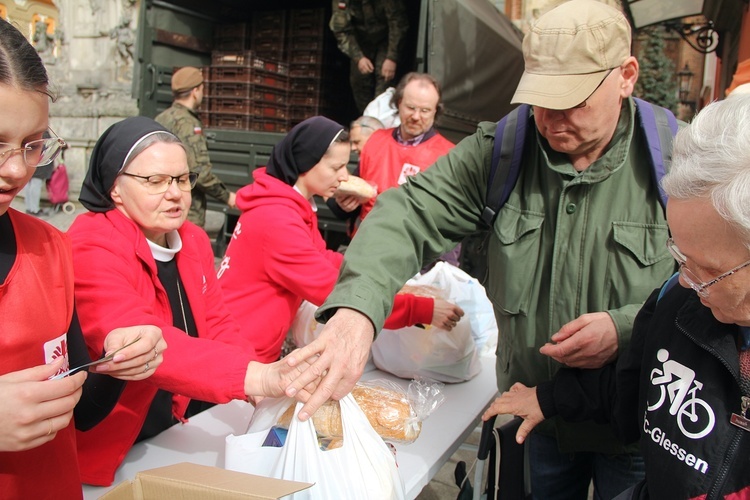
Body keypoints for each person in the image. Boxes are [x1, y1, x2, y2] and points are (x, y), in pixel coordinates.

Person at [284, 2, 679, 499]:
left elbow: (718, 287)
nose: (551, 120)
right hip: (532, 423)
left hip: (636, 427)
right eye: (540, 98)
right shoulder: (502, 152)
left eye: (572, 99)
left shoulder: (679, 161)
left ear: (625, 76)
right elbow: (407, 215)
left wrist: (625, 329)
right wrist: (357, 313)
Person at [482, 94, 750, 500]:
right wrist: (550, 396)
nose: (686, 282)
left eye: (710, 271)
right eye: (678, 255)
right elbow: (632, 382)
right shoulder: (677, 302)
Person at [69, 116, 317, 486]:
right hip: (119, 441)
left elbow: (217, 321)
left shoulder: (192, 239)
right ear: (115, 189)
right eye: (155, 181)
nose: (176, 193)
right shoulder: (92, 244)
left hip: (178, 423)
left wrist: (257, 381)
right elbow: (148, 346)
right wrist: (259, 377)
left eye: (183, 179)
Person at [0, 18, 165, 499]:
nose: (16, 170)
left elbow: (79, 412)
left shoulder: (49, 246)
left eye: (33, 146)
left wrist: (115, 363)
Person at [217, 116, 464, 363]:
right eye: (336, 168)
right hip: (238, 353)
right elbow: (338, 293)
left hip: (249, 344)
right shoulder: (277, 220)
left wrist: (379, 272)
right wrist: (420, 310)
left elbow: (321, 257)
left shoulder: (289, 205)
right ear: (306, 163)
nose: (344, 176)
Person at [357, 72, 454, 223]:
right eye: (410, 107)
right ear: (399, 103)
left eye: (425, 110)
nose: (416, 116)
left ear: (436, 111)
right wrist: (345, 205)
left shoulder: (448, 156)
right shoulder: (375, 141)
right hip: (366, 239)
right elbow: (350, 199)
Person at [154, 66, 236, 227]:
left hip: (161, 203)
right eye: (202, 89)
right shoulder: (188, 123)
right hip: (185, 210)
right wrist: (227, 196)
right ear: (195, 91)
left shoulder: (162, 118)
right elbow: (200, 171)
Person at [329, 0, 409, 113]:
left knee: (385, 79)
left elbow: (398, 23)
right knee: (359, 82)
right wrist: (358, 57)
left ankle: (381, 120)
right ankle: (366, 121)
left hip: (386, 39)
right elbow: (340, 30)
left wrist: (392, 57)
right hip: (360, 41)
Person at [326, 115, 384, 230]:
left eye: (357, 142)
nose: (353, 148)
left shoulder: (385, 163)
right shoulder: (362, 164)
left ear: (375, 136)